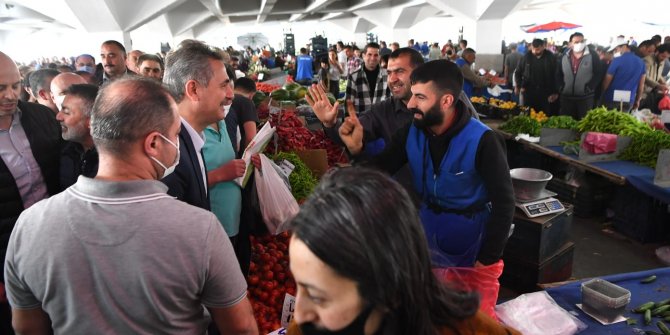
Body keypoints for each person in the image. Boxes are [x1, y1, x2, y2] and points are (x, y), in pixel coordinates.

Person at [4, 77, 257, 334]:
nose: (179, 144)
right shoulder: (200, 229)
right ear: (154, 144)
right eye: (176, 135)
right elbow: (241, 328)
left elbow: (27, 328)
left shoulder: (29, 224)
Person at [286, 168, 520, 335]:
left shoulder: (468, 330)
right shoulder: (306, 329)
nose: (300, 313)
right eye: (299, 286)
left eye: (318, 296)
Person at [337, 60, 515, 271]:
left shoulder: (483, 141)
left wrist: (487, 258)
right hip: (424, 231)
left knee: (468, 302)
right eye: (413, 94)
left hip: (470, 241)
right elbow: (379, 170)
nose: (411, 104)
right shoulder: (412, 132)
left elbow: (504, 203)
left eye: (420, 97)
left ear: (446, 100)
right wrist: (356, 150)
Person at [0, 51, 61, 334]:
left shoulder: (40, 116)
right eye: (1, 88)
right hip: (8, 252)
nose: (10, 95)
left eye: (15, 85)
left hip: (56, 240)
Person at [161, 40, 234, 211]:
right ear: (193, 90)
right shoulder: (169, 156)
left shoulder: (191, 138)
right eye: (223, 85)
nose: (231, 95)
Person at [57, 84, 99, 190]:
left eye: (66, 112)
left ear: (92, 121)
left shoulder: (113, 161)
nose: (58, 117)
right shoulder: (65, 150)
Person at [556, 32, 604, 119]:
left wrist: (589, 87)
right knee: (566, 122)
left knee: (584, 122)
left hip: (585, 98)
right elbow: (558, 73)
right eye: (576, 42)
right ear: (570, 43)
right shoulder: (564, 55)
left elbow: (599, 73)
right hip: (567, 97)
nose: (580, 44)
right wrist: (561, 87)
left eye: (582, 41)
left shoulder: (592, 55)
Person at [600, 37, 646, 111]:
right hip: (629, 100)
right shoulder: (641, 62)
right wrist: (637, 100)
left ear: (624, 46)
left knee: (608, 120)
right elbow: (641, 85)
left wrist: (602, 93)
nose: (615, 52)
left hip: (611, 98)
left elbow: (607, 80)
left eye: (616, 49)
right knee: (623, 121)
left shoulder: (616, 60)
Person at [515, 38, 559, 114]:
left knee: (544, 114)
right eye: (533, 49)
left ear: (543, 47)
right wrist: (519, 85)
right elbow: (518, 73)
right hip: (529, 92)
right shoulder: (526, 57)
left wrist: (555, 92)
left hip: (545, 93)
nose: (535, 51)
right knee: (528, 114)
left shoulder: (551, 57)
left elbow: (557, 75)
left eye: (538, 49)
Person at [345, 42, 389, 114]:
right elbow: (349, 103)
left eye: (376, 55)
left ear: (379, 57)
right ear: (363, 56)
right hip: (361, 120)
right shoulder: (354, 76)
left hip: (381, 119)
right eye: (369, 54)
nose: (372, 58)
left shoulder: (387, 75)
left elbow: (390, 99)